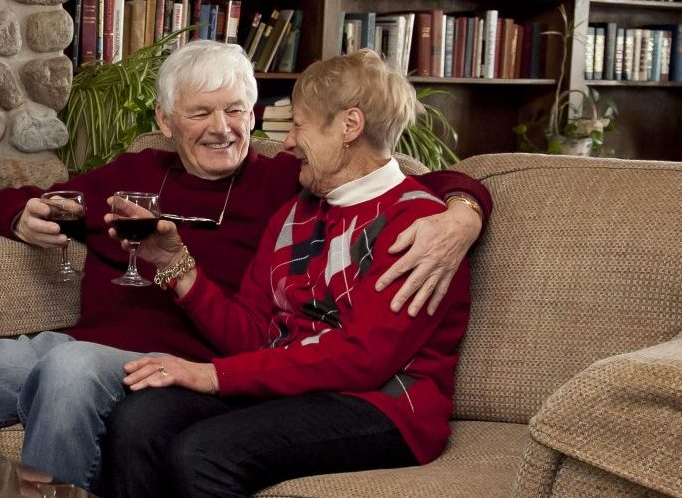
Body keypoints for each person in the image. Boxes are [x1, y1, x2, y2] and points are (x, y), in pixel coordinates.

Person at [0, 41, 491, 490]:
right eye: (201, 112)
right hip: (76, 345)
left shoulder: (284, 186)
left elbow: (403, 175)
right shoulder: (133, 177)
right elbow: (30, 200)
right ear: (164, 119)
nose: (225, 129)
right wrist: (19, 215)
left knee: (75, 371)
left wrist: (464, 211)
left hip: (159, 362)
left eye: (237, 111)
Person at [94, 48, 472, 497]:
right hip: (295, 393)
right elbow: (254, 335)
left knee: (204, 452)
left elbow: (361, 361)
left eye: (298, 125)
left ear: (349, 126)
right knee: (140, 421)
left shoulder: (421, 231)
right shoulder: (296, 214)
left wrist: (214, 375)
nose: (288, 142)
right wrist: (177, 269)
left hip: (383, 407)